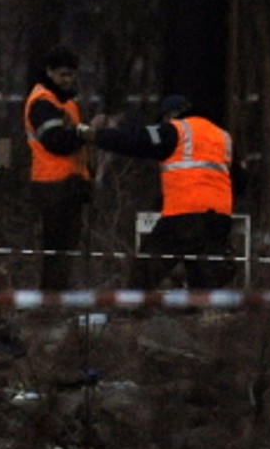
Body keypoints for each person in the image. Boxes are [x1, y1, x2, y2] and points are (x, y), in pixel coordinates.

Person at [78, 94, 238, 289]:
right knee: (203, 274)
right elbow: (240, 178)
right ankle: (203, 314)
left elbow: (135, 139)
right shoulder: (222, 137)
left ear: (169, 116)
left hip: (184, 215)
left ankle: (133, 313)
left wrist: (96, 136)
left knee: (145, 269)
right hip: (219, 218)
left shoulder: (174, 130)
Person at [23, 45, 92, 290]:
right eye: (62, 74)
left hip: (68, 184)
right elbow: (56, 141)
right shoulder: (42, 102)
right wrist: (84, 133)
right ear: (49, 72)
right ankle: (51, 298)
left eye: (71, 75)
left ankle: (57, 295)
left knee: (65, 247)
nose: (67, 80)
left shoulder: (66, 104)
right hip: (52, 185)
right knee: (56, 247)